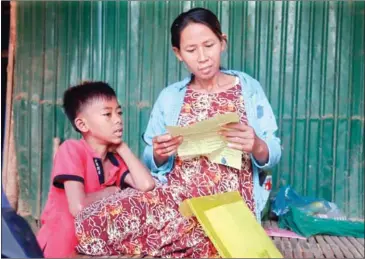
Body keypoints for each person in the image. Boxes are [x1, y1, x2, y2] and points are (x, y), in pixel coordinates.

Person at [75, 8, 281, 258]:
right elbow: (152, 161)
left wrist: (257, 145)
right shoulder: (170, 97)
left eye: (209, 45)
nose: (203, 57)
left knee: (205, 235)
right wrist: (160, 154)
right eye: (191, 50)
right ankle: (191, 234)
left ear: (222, 42)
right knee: (92, 220)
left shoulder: (248, 88)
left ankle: (207, 235)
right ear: (178, 54)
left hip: (229, 204)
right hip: (177, 199)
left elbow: (273, 150)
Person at [37, 82, 155, 258]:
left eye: (119, 112)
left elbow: (146, 185)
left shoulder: (115, 160)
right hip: (61, 245)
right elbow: (78, 206)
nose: (118, 120)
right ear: (83, 124)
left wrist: (123, 148)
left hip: (91, 250)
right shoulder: (72, 149)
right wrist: (112, 191)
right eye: (107, 114)